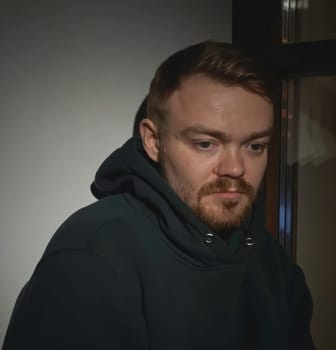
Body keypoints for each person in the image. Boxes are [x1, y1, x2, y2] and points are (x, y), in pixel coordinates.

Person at [2, 40, 315, 350]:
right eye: (206, 143)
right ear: (153, 141)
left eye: (255, 146)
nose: (235, 168)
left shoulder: (272, 263)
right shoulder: (92, 256)